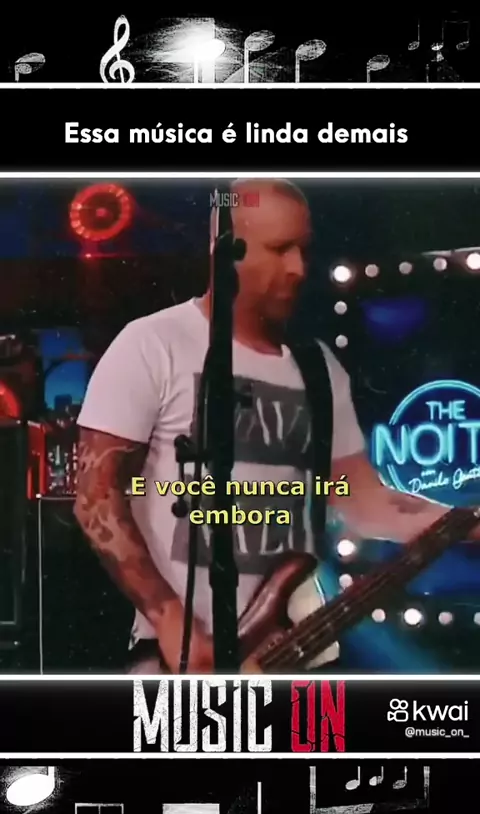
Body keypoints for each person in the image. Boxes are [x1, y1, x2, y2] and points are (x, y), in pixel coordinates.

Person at [74, 178, 479, 674]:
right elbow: (96, 498)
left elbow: (365, 500)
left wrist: (462, 521)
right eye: (279, 249)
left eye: (303, 249)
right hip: (183, 660)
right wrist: (169, 616)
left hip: (297, 653)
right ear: (225, 250)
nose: (298, 268)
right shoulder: (152, 345)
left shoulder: (318, 367)